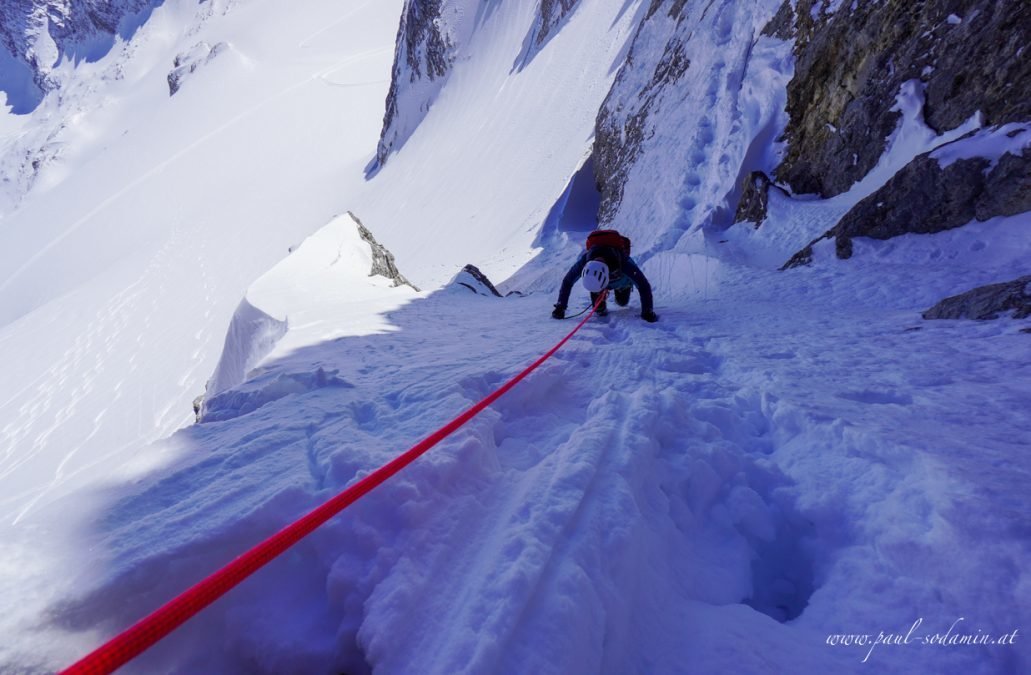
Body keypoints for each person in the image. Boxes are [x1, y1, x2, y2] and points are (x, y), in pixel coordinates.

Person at [552, 231, 658, 322]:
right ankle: (600, 296)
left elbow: (643, 285)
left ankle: (621, 290)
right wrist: (561, 306)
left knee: (622, 303)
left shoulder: (623, 262)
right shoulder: (584, 262)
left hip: (622, 283)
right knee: (599, 311)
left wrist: (647, 311)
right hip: (599, 281)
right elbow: (567, 281)